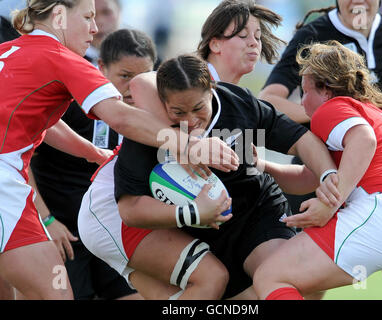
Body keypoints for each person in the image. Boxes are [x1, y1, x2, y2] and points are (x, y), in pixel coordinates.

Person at [0, 0, 238, 300]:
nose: (95, 28)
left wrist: (90, 152)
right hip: (5, 186)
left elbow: (41, 122)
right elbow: (122, 116)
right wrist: (190, 144)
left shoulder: (9, 51)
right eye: (87, 16)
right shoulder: (61, 58)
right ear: (59, 15)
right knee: (56, 294)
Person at [78, 54, 340, 300]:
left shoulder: (239, 105)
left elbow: (300, 139)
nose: (190, 120)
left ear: (212, 87)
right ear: (163, 104)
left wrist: (328, 175)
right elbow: (130, 208)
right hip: (186, 227)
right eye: (178, 113)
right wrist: (193, 212)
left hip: (251, 214)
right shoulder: (153, 134)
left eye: (197, 108)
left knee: (286, 279)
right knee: (219, 283)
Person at [259, 0, 382, 298]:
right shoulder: (377, 113)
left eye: (304, 91)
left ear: (325, 88)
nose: (301, 103)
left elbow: (364, 141)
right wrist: (261, 165)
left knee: (271, 276)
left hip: (380, 211)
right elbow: (312, 178)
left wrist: (331, 203)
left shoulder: (332, 109)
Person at [30, 28, 157, 300]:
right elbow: (22, 161)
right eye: (125, 76)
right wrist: (46, 219)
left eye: (143, 76)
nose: (134, 86)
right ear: (100, 67)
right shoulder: (71, 104)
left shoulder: (151, 116)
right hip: (65, 235)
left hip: (109, 234)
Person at [197, 0, 283, 84]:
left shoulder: (239, 95)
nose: (254, 43)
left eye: (257, 37)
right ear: (215, 45)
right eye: (243, 35)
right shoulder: (191, 87)